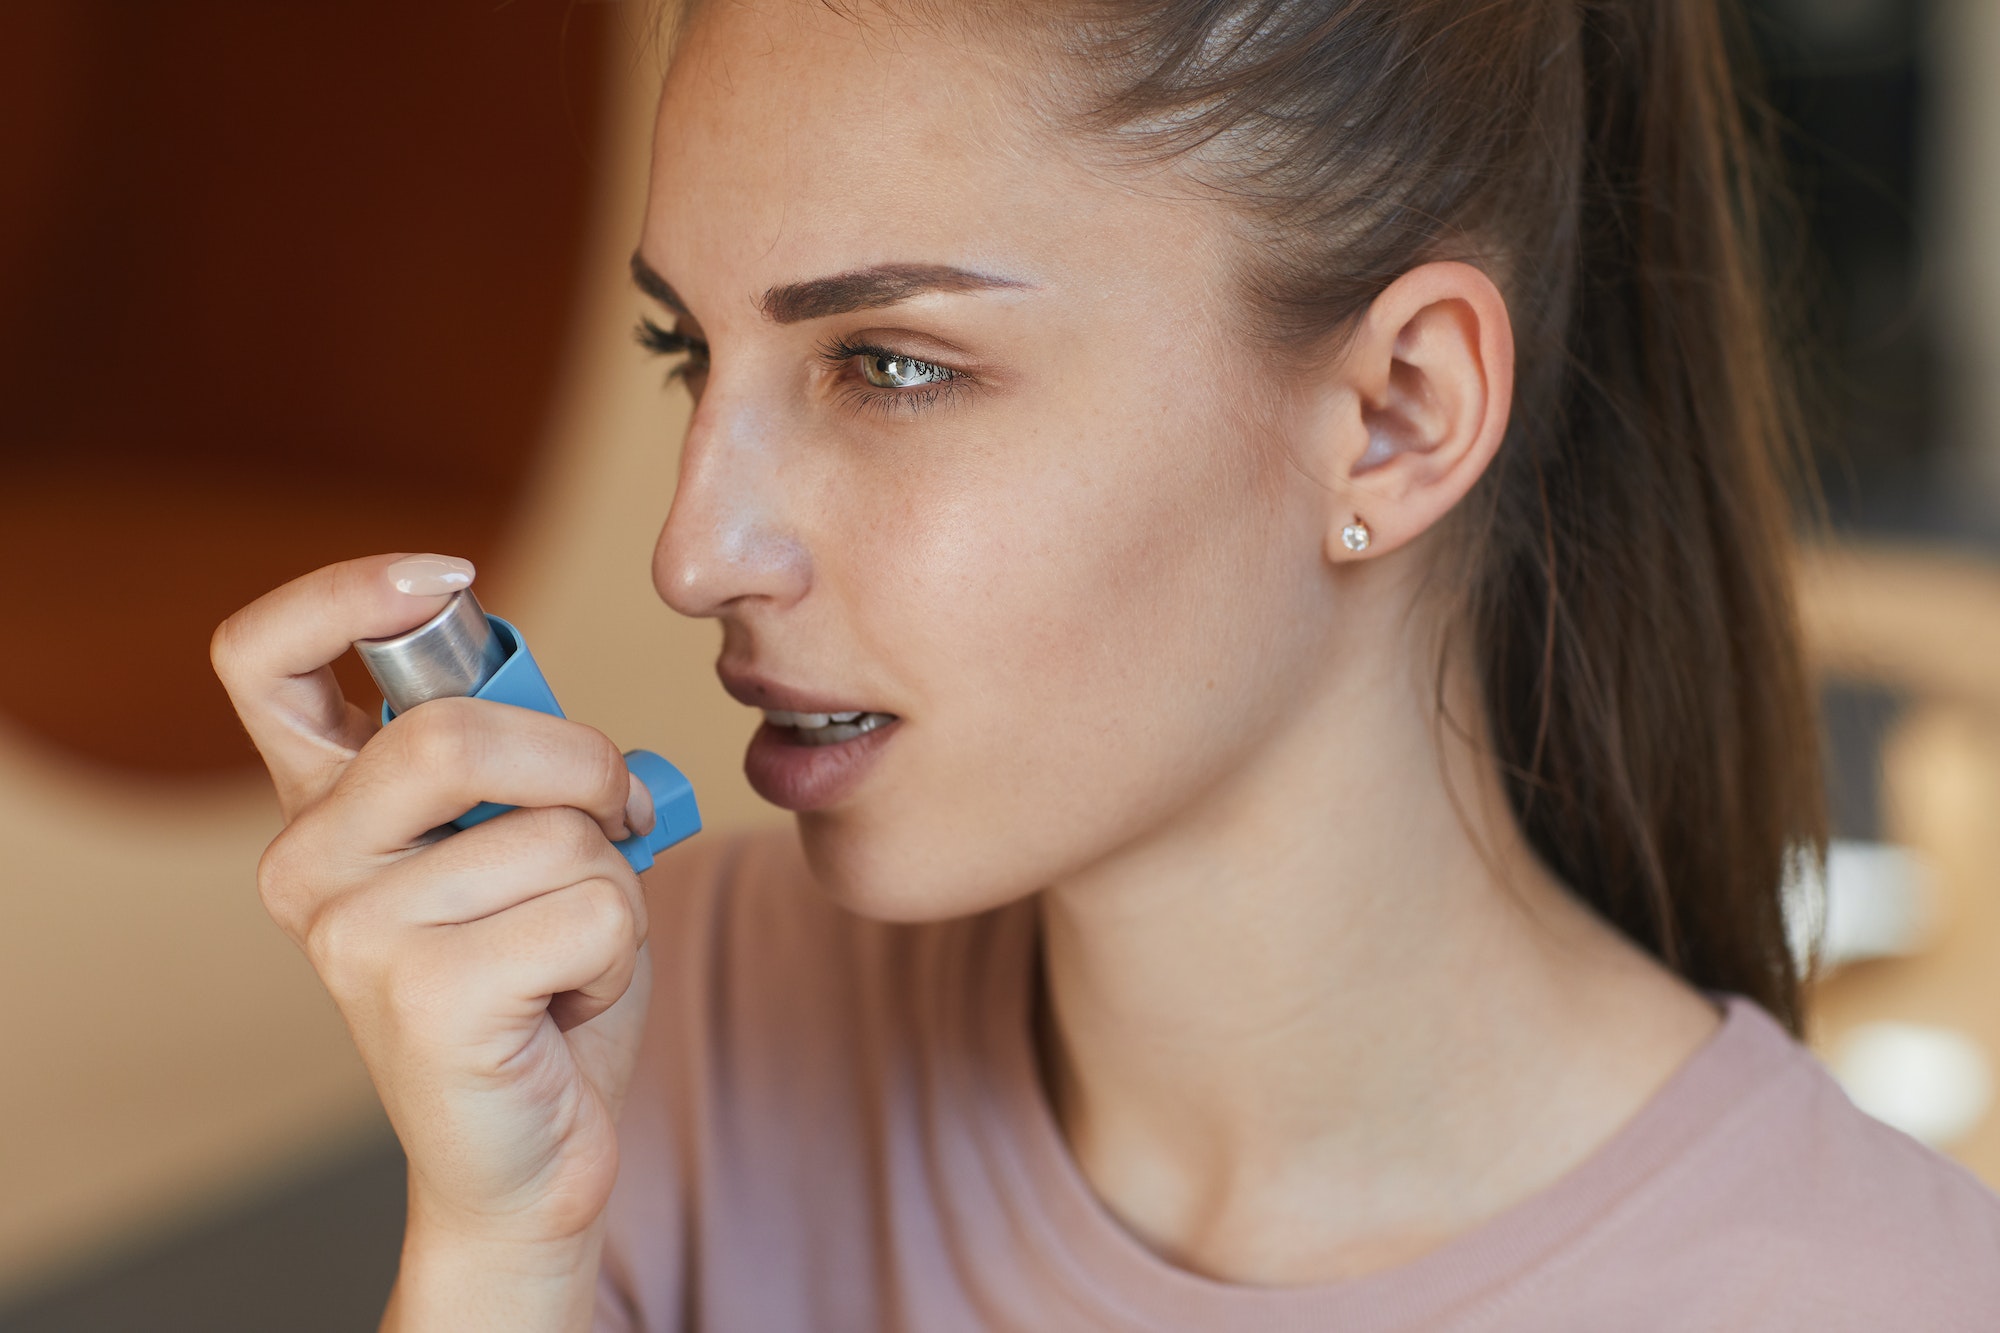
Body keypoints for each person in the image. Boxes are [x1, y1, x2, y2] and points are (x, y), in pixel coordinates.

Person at [211, 0, 2000, 1328]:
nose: (694, 553)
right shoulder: (685, 1025)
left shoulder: (1878, 1293)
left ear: (1393, 416)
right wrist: (500, 1253)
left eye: (889, 363)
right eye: (693, 353)